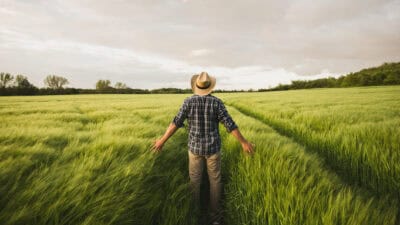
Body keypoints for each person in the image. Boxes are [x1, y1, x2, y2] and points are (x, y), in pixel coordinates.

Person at [151, 72, 254, 225]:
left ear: (196, 86)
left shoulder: (188, 102)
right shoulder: (217, 103)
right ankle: (216, 218)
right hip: (213, 149)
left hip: (194, 150)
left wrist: (162, 141)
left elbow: (176, 123)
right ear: (210, 87)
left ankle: (194, 213)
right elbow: (229, 125)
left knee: (194, 181)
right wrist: (244, 142)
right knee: (215, 182)